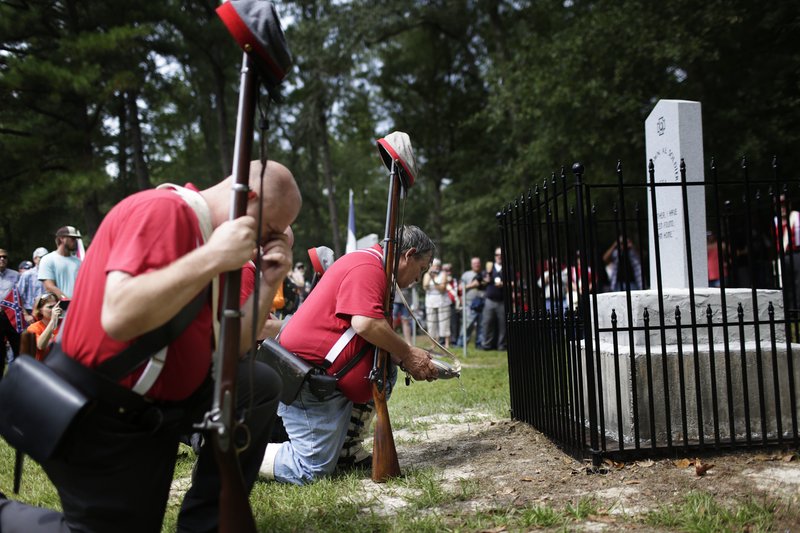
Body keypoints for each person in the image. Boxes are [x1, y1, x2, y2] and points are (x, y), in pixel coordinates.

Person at [0, 159, 301, 533]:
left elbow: (230, 346)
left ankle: (207, 524)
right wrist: (212, 258)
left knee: (257, 385)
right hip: (98, 411)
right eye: (270, 230)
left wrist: (269, 281)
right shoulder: (166, 210)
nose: (267, 243)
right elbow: (119, 314)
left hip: (157, 407)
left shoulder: (218, 246)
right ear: (248, 197)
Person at [259, 225, 439, 485]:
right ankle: (233, 455)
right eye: (421, 268)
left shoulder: (372, 265)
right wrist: (408, 353)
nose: (418, 277)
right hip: (305, 379)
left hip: (318, 377)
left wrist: (404, 358)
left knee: (384, 368)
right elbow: (365, 323)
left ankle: (347, 450)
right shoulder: (368, 267)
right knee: (310, 469)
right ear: (408, 255)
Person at [37, 226, 82, 300]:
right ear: (62, 238)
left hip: (78, 306)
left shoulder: (78, 262)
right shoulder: (48, 259)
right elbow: (49, 287)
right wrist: (68, 301)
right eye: (73, 238)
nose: (75, 241)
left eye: (76, 239)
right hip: (59, 308)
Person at [481, 247, 507, 351]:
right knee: (487, 323)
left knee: (503, 326)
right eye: (497, 254)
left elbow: (515, 283)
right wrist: (486, 279)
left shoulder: (508, 268)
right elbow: (482, 282)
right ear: (495, 256)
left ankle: (502, 346)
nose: (499, 256)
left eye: (501, 255)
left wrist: (503, 284)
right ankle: (487, 345)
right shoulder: (489, 268)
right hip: (490, 300)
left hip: (502, 301)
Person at [458, 256, 486, 347]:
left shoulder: (484, 273)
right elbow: (460, 288)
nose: (476, 265)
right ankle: (461, 344)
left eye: (478, 263)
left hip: (483, 302)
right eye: (474, 263)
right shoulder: (466, 275)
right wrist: (472, 285)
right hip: (469, 303)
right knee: (467, 325)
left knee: (482, 324)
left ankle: (480, 344)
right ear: (471, 265)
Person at [422, 258, 451, 348]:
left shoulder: (443, 274)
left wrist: (434, 281)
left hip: (442, 301)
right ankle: (433, 344)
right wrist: (430, 276)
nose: (436, 267)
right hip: (430, 302)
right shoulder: (427, 275)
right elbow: (425, 286)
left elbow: (442, 289)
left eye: (437, 265)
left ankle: (446, 343)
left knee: (444, 322)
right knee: (431, 323)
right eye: (434, 265)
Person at [26, 292, 63, 361]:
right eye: (50, 307)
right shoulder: (33, 327)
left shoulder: (64, 323)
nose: (55, 309)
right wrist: (53, 321)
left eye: (57, 306)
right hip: (44, 366)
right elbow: (40, 345)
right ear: (40, 310)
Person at [17, 246, 49, 324]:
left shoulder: (51, 274)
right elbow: (18, 296)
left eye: (47, 257)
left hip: (48, 311)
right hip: (30, 313)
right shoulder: (27, 275)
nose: (45, 259)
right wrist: (26, 315)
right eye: (42, 257)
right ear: (35, 259)